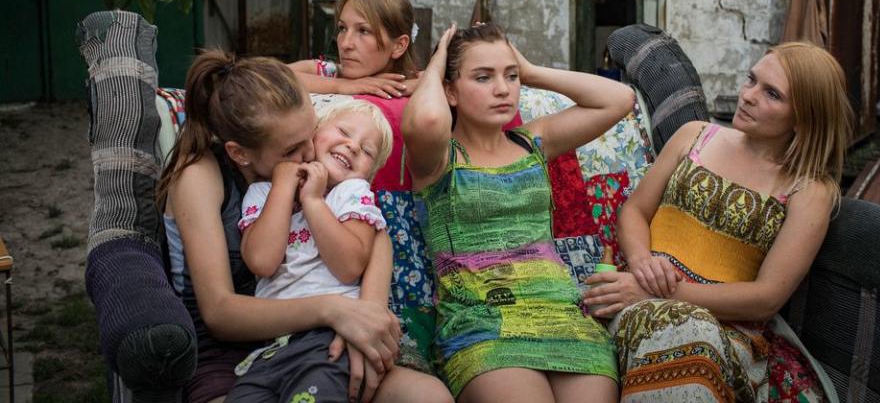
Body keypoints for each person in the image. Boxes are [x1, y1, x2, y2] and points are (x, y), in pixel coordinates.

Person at [156, 51, 448, 403]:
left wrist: (365, 319)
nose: (310, 152)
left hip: (326, 339)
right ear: (240, 154)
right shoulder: (200, 175)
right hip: (229, 352)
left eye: (311, 133)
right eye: (293, 148)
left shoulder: (310, 166)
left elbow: (372, 232)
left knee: (426, 396)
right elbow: (219, 312)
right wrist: (334, 310)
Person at [584, 41, 852, 402]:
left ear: (804, 117)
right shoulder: (695, 135)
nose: (748, 96)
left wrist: (660, 293)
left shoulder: (808, 191)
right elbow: (635, 211)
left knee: (690, 335)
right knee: (660, 326)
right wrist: (641, 263)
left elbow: (766, 299)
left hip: (723, 326)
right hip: (636, 295)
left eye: (771, 94)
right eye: (751, 80)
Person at [402, 22, 636, 403]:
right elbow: (426, 119)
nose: (502, 89)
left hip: (564, 318)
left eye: (509, 77)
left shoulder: (532, 142)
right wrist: (439, 56)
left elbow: (619, 99)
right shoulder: (441, 159)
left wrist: (529, 70)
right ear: (450, 89)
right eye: (483, 77)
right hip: (481, 322)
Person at [227, 99, 450, 402]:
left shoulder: (352, 195)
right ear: (313, 133)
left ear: (369, 174)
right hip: (272, 347)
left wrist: (314, 202)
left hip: (331, 343)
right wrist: (284, 183)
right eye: (343, 131)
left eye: (367, 150)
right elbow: (262, 262)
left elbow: (348, 266)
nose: (353, 146)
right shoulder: (264, 192)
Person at [288, 0, 419, 99]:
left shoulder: (421, 89)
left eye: (363, 31)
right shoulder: (329, 73)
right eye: (342, 28)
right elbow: (269, 76)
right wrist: (341, 85)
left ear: (399, 45)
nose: (345, 44)